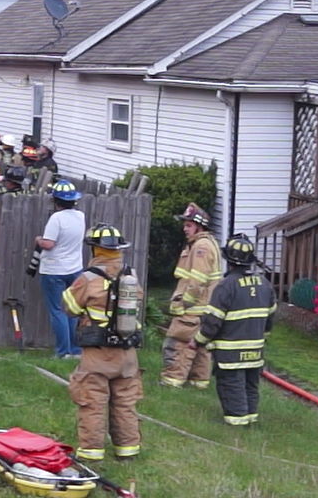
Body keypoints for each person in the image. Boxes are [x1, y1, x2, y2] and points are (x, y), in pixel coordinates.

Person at [62, 224, 144, 461]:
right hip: (127, 353)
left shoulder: (88, 278)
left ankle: (91, 452)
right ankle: (127, 450)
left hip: (98, 354)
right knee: (125, 403)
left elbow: (70, 307)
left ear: (96, 249)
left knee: (92, 401)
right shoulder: (131, 275)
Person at [195, 234, 276, 425]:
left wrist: (199, 341)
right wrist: (261, 337)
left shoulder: (226, 286)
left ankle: (237, 424)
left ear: (229, 261)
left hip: (230, 352)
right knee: (250, 386)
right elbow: (270, 317)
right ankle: (251, 419)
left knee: (232, 386)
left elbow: (213, 321)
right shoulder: (265, 284)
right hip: (255, 350)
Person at [160, 203, 223, 389]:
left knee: (177, 345)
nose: (184, 228)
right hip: (205, 310)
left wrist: (184, 304)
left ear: (199, 226)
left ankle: (172, 381)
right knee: (201, 347)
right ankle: (198, 382)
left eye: (188, 225)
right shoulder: (207, 243)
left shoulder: (201, 247)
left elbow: (197, 280)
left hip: (192, 310)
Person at [36, 180, 87, 359]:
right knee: (72, 310)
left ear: (55, 200)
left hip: (54, 270)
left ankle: (62, 352)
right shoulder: (80, 216)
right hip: (74, 269)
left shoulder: (56, 219)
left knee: (58, 311)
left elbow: (49, 244)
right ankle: (75, 350)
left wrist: (39, 240)